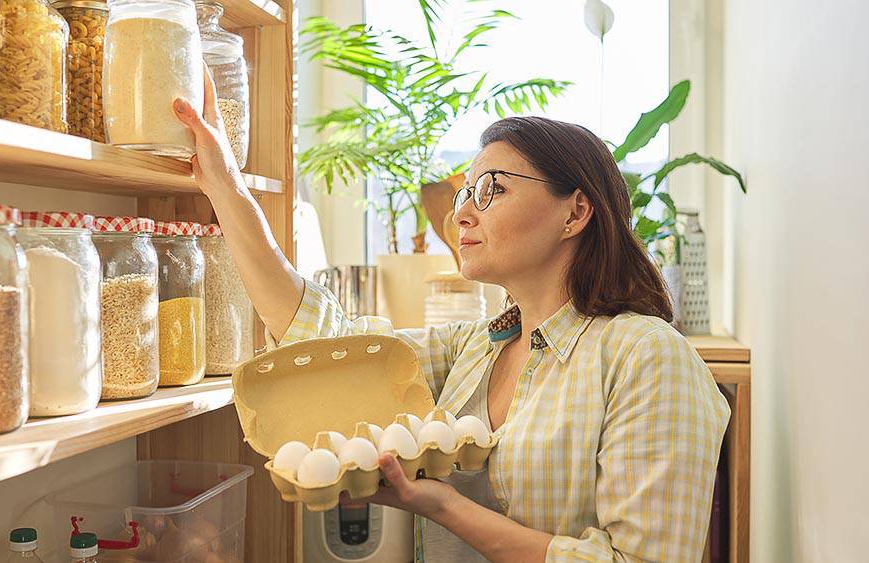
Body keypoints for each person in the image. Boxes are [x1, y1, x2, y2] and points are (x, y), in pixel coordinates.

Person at [171, 67, 730, 562]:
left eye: (492, 189)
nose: (462, 214)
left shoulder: (647, 356)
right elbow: (323, 343)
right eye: (465, 193)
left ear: (575, 211)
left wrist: (443, 506)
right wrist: (224, 184)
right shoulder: (477, 348)